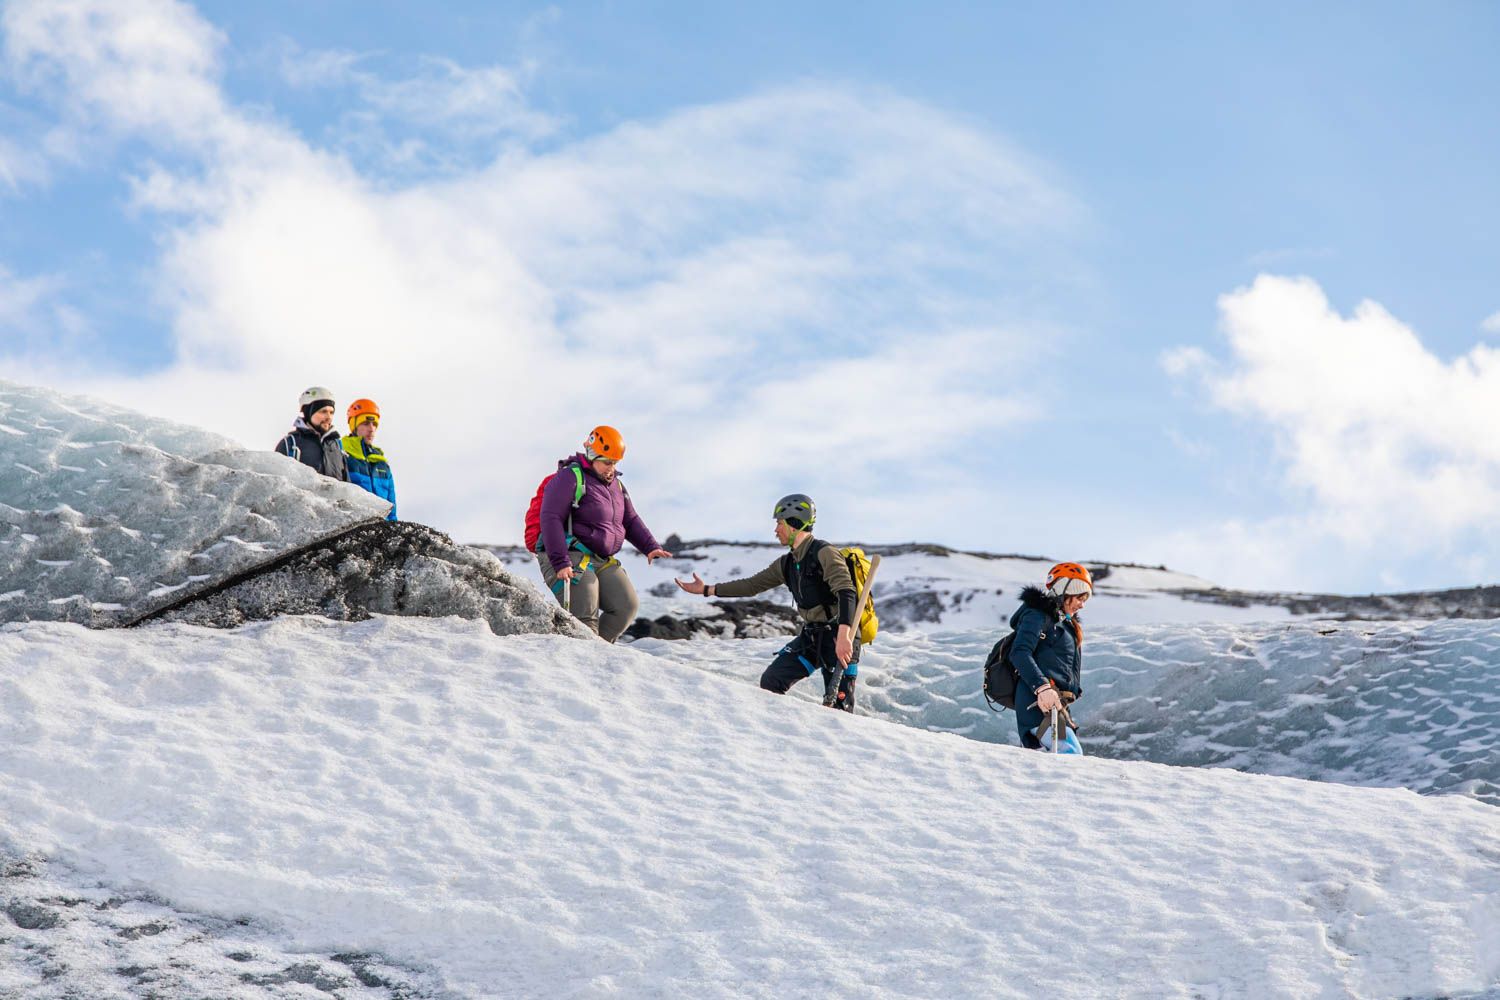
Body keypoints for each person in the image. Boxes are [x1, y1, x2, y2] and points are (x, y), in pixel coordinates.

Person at [674, 494, 861, 712]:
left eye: (779, 523)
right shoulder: (787, 563)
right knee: (771, 683)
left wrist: (844, 637)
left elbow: (847, 592)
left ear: (794, 523)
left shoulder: (825, 553)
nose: (776, 530)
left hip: (841, 635)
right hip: (812, 636)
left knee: (839, 710)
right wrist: (707, 590)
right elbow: (752, 585)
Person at [537, 425, 672, 643]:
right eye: (607, 462)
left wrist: (650, 546)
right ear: (591, 455)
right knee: (585, 620)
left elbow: (630, 519)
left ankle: (594, 657)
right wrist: (560, 561)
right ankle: (582, 658)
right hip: (570, 556)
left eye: (615, 463)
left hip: (601, 559)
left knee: (626, 607)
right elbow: (550, 518)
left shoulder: (616, 486)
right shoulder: (569, 478)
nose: (611, 468)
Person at [1008, 562, 1091, 749]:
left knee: (1045, 761)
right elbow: (1020, 652)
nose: (1082, 605)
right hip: (1037, 702)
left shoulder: (1066, 626)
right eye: (1079, 597)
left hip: (1054, 706)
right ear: (1064, 590)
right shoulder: (1038, 616)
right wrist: (1042, 688)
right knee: (1069, 753)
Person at [275, 386, 348, 482]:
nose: (329, 417)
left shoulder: (337, 445)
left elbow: (347, 485)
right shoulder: (290, 444)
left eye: (331, 412)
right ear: (308, 412)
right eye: (323, 411)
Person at [341, 398, 397, 520]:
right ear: (353, 425)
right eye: (366, 424)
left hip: (382, 531)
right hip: (354, 526)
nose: (371, 429)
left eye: (374, 424)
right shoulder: (341, 453)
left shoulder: (381, 463)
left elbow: (392, 510)